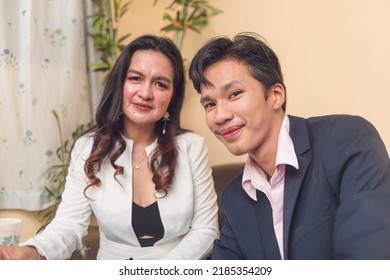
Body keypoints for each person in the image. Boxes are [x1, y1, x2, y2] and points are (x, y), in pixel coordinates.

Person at [0, 34, 219, 260]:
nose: (145, 93)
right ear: (120, 84)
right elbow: (69, 224)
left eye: (160, 84)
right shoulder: (88, 148)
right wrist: (31, 252)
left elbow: (206, 230)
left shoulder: (191, 147)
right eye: (135, 78)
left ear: (172, 98)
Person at [188, 32, 390, 259]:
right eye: (210, 104)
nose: (219, 116)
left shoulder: (347, 139)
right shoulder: (234, 198)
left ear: (276, 95)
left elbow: (369, 256)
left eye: (234, 94)